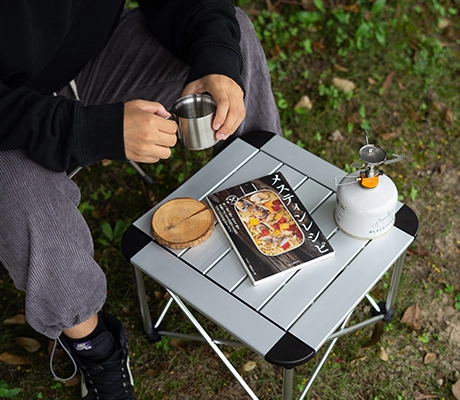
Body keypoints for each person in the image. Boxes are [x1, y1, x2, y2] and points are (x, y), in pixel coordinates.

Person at [0, 0, 282, 399]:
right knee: (20, 192)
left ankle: (268, 214)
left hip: (91, 61)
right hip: (10, 117)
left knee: (230, 30)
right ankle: (91, 344)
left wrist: (216, 58)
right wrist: (91, 131)